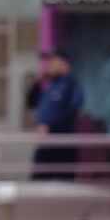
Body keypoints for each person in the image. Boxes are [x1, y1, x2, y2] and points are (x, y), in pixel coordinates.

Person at [28, 50, 83, 180]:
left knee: (64, 186)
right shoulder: (49, 86)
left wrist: (49, 127)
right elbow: (31, 102)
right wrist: (37, 83)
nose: (48, 65)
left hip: (63, 144)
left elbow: (71, 111)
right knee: (38, 182)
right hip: (45, 144)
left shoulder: (71, 85)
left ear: (64, 64)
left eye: (52, 61)